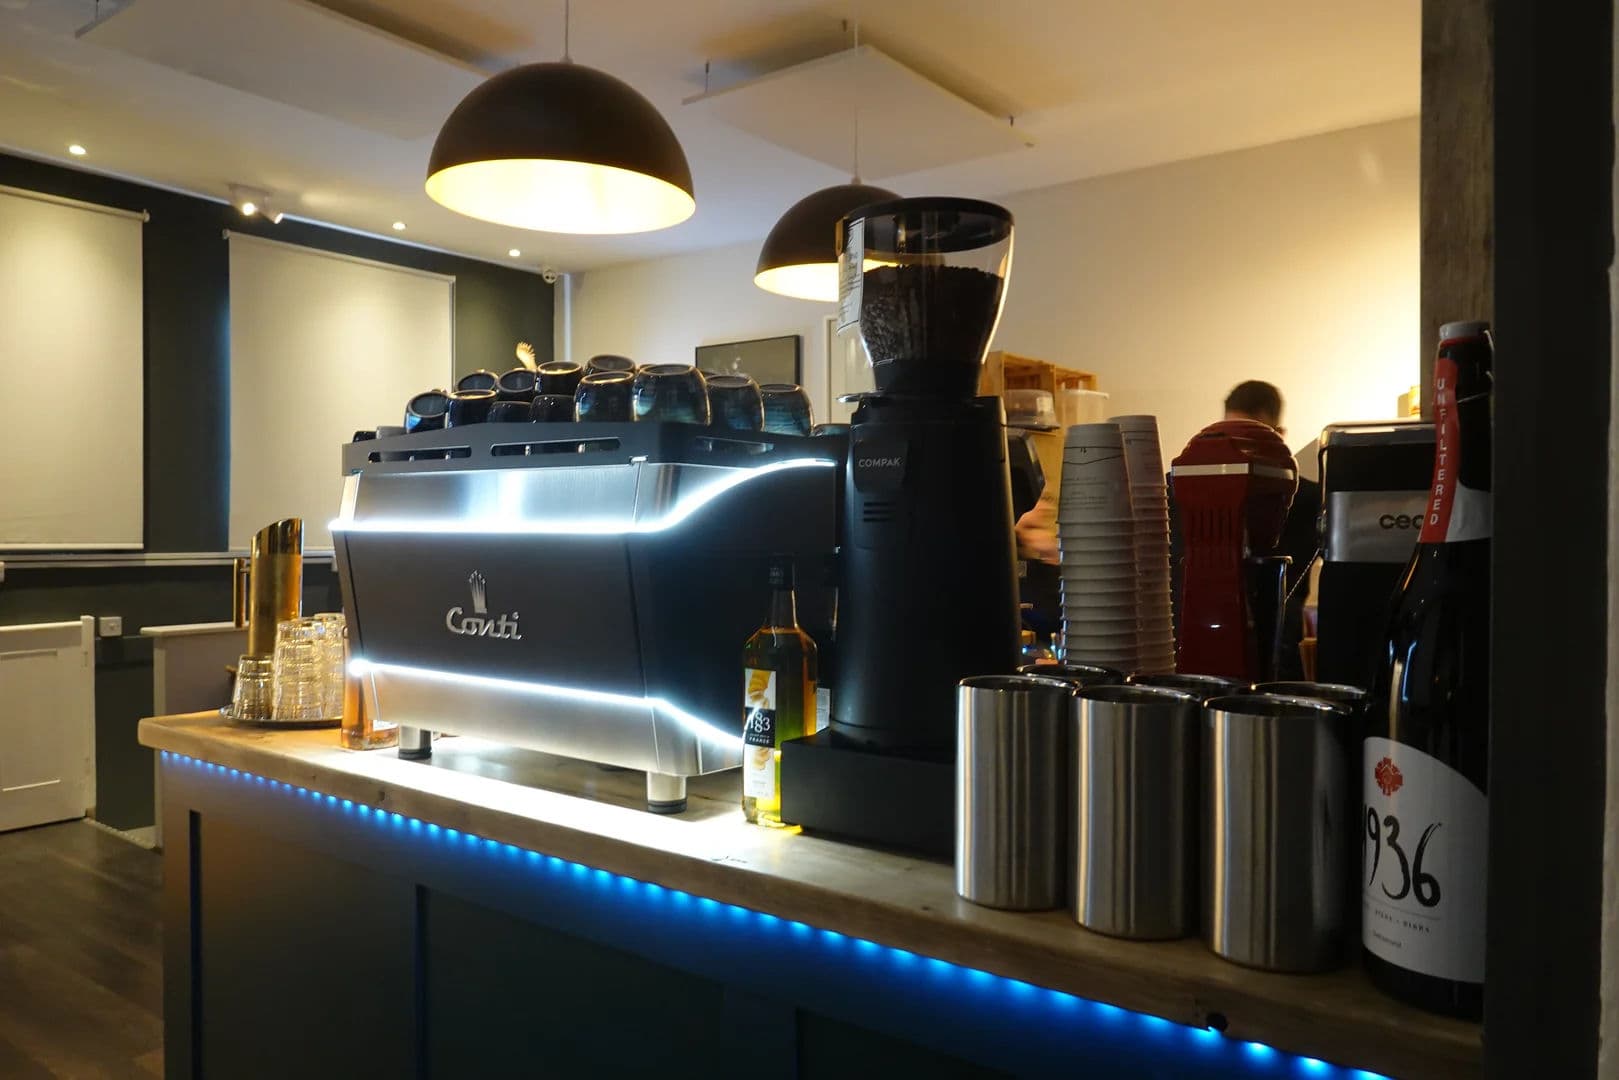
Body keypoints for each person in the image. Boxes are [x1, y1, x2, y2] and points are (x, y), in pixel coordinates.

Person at [1220, 380, 1321, 679]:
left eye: (1253, 436)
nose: (1241, 449)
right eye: (1231, 436)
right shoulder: (1206, 491)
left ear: (1279, 435)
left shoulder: (1309, 499)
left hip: (1281, 640)